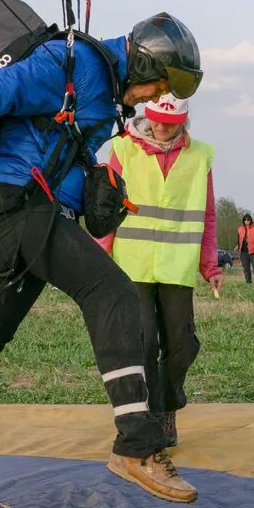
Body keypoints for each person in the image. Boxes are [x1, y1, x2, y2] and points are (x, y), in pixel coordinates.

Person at [0, 12, 205, 508]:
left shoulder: (102, 89)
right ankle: (138, 446)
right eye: (157, 86)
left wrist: (93, 189)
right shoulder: (70, 63)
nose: (154, 98)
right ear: (143, 64)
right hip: (18, 206)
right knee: (112, 292)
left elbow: (60, 152)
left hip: (41, 210)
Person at [94, 93, 220, 449]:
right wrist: (101, 258)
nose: (160, 128)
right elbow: (106, 205)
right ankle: (152, 413)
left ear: (183, 122)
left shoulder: (201, 155)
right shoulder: (123, 148)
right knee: (144, 342)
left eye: (169, 123)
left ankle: (168, 403)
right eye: (155, 120)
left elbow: (207, 216)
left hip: (177, 266)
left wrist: (209, 264)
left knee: (181, 344)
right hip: (132, 263)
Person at [237, 214, 254, 283]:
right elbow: (238, 240)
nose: (246, 221)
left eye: (248, 219)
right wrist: (239, 249)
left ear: (250, 220)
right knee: (246, 268)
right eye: (245, 219)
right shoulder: (239, 229)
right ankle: (248, 281)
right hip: (243, 252)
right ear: (243, 220)